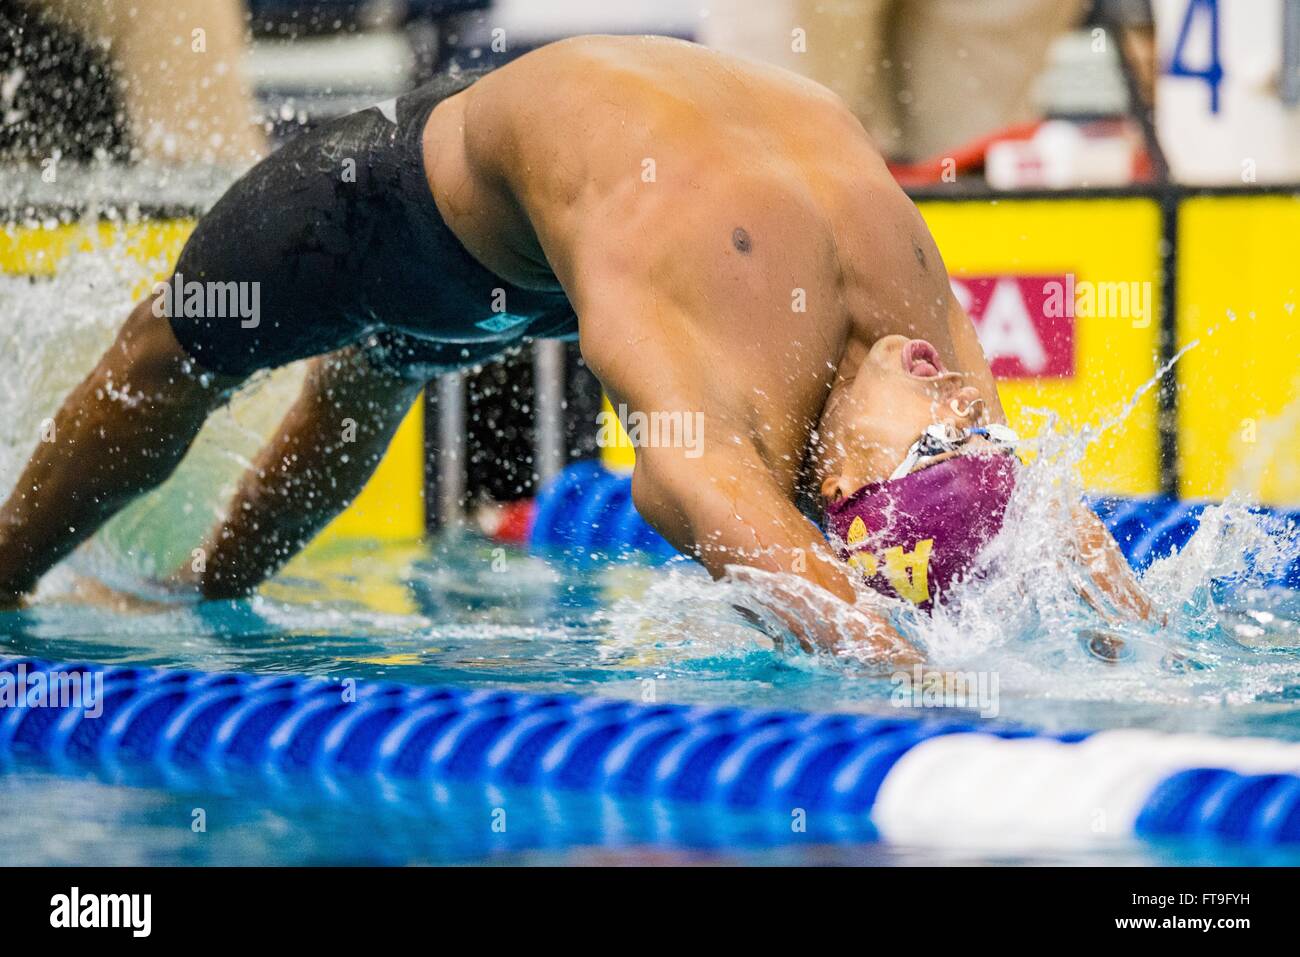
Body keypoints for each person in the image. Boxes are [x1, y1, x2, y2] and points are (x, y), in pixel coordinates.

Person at [0, 35, 1150, 663]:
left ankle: (207, 600)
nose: (955, 393)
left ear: (848, 481)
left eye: (942, 440)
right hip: (390, 203)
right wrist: (923, 690)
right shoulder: (839, 354)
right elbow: (695, 496)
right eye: (961, 423)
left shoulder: (882, 370)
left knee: (387, 365)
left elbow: (1024, 499)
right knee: (177, 347)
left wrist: (1138, 652)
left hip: (571, 237)